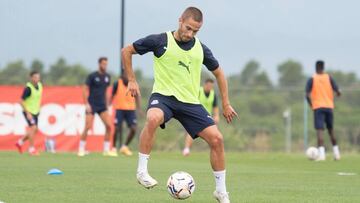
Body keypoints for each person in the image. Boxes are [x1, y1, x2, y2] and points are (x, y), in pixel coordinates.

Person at [122, 7, 237, 203]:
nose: (190, 34)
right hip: (164, 97)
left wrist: (226, 103)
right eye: (188, 28)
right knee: (153, 118)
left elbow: (219, 73)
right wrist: (131, 79)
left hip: (190, 103)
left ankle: (221, 191)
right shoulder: (160, 41)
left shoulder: (201, 49)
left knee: (217, 139)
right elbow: (127, 50)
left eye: (195, 31)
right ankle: (142, 171)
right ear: (180, 20)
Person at [78, 57, 117, 157]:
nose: (105, 66)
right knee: (87, 126)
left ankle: (106, 150)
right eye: (103, 64)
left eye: (106, 64)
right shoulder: (92, 76)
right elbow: (84, 89)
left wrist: (108, 104)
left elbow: (106, 91)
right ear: (99, 64)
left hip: (102, 106)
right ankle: (81, 149)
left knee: (109, 126)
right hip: (91, 105)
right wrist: (86, 104)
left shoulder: (107, 76)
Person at [306, 60, 341, 161]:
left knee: (320, 131)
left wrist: (311, 105)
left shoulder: (312, 79)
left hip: (318, 107)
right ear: (323, 67)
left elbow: (307, 95)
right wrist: (337, 94)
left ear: (316, 67)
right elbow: (338, 91)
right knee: (331, 130)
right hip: (329, 107)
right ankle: (337, 154)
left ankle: (322, 155)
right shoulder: (329, 78)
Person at [183, 78, 219, 156]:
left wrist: (216, 116)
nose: (210, 87)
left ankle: (215, 151)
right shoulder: (198, 91)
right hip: (195, 115)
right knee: (191, 131)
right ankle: (186, 149)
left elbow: (215, 107)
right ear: (205, 85)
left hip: (206, 118)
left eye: (211, 86)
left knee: (213, 135)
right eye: (208, 85)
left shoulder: (213, 94)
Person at [111, 71, 142, 156]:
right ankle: (113, 148)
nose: (127, 76)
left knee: (133, 129)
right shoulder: (117, 83)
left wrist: (139, 108)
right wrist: (109, 104)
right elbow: (112, 95)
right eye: (126, 74)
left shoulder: (133, 83)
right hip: (120, 109)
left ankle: (124, 147)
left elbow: (137, 96)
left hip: (130, 110)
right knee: (117, 128)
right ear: (122, 75)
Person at [15, 71, 43, 156]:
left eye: (38, 77)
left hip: (35, 111)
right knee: (33, 128)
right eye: (35, 77)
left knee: (34, 130)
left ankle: (20, 142)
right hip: (28, 112)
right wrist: (27, 113)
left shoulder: (40, 86)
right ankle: (31, 149)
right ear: (31, 78)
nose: (36, 79)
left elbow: (36, 99)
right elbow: (21, 101)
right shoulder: (28, 88)